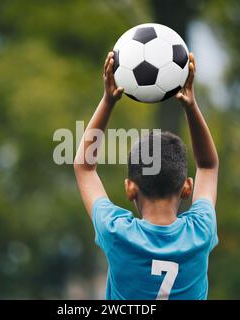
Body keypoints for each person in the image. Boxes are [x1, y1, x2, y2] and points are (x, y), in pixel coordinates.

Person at [74, 51, 219, 299]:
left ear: (130, 188)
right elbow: (208, 165)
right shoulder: (200, 231)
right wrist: (192, 106)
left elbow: (84, 167)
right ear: (187, 187)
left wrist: (108, 101)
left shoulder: (116, 232)